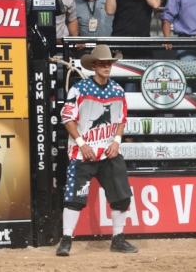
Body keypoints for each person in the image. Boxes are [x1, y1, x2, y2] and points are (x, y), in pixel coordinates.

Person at [56, 44, 137, 256]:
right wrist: (82, 143)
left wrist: (117, 141)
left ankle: (118, 238)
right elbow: (67, 118)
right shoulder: (80, 89)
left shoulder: (118, 91)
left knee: (121, 196)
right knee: (74, 197)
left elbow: (121, 119)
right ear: (94, 65)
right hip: (83, 153)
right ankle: (66, 240)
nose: (106, 66)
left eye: (109, 63)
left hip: (108, 152)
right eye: (102, 63)